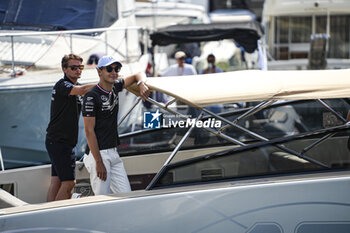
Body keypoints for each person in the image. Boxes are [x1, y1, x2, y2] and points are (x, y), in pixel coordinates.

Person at [82, 55, 150, 195]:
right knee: (101, 200)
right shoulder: (91, 96)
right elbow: (89, 131)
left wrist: (141, 84)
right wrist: (99, 162)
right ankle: (78, 199)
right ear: (99, 71)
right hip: (98, 154)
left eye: (116, 68)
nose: (114, 72)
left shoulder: (115, 87)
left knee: (126, 195)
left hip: (113, 152)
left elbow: (138, 74)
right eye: (109, 69)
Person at [45, 54, 95, 201]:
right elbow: (82, 90)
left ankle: (48, 214)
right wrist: (105, 83)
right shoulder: (63, 85)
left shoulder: (72, 88)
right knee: (69, 183)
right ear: (64, 69)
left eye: (80, 67)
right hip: (61, 143)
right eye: (73, 68)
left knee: (56, 182)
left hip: (57, 141)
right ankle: (57, 216)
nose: (78, 70)